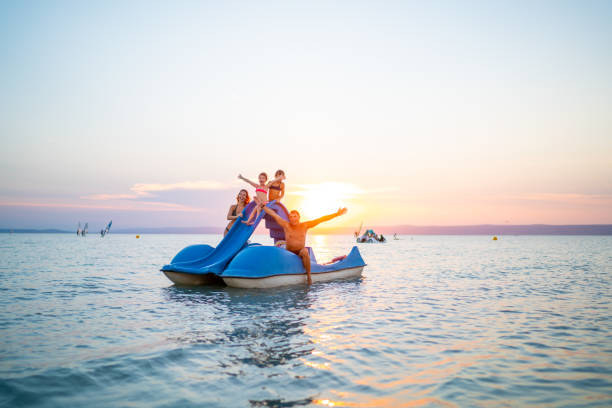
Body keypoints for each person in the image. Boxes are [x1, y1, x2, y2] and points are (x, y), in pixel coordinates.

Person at [262, 205, 348, 285]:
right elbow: (273, 214)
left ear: (299, 217)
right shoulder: (286, 225)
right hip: (289, 253)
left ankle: (309, 277)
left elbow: (321, 219)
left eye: (295, 216)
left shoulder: (304, 225)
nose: (293, 219)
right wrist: (262, 206)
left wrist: (337, 214)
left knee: (305, 251)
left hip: (300, 252)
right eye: (291, 217)